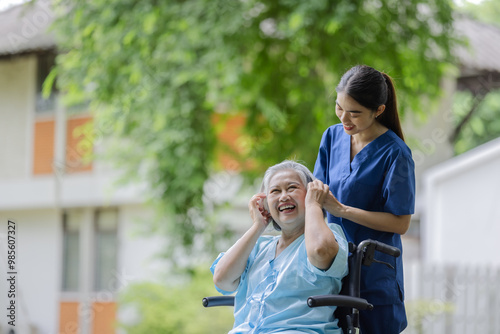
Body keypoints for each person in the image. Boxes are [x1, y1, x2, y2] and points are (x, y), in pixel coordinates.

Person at [313, 65, 415, 333]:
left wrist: (341, 209)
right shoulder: (332, 137)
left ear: (378, 110)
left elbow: (401, 223)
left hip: (374, 270)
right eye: (339, 108)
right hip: (331, 267)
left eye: (355, 113)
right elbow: (315, 197)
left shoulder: (396, 154)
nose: (344, 119)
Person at [211, 160, 349, 334]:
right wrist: (258, 226)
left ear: (309, 194)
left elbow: (320, 252)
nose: (284, 196)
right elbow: (222, 280)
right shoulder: (259, 247)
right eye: (275, 191)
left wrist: (314, 205)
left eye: (292, 188)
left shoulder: (329, 237)